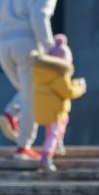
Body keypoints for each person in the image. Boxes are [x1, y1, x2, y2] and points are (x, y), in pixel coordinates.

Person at [0, 0, 73, 160]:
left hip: (3, 44)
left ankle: (11, 114)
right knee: (32, 96)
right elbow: (40, 16)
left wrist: (11, 19)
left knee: (27, 89)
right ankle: (23, 146)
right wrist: (49, 47)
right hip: (27, 45)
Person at [31, 33, 86, 171]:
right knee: (53, 133)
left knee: (55, 129)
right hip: (55, 111)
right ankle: (46, 156)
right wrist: (79, 86)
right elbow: (68, 91)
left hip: (43, 109)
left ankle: (58, 145)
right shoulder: (58, 75)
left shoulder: (42, 73)